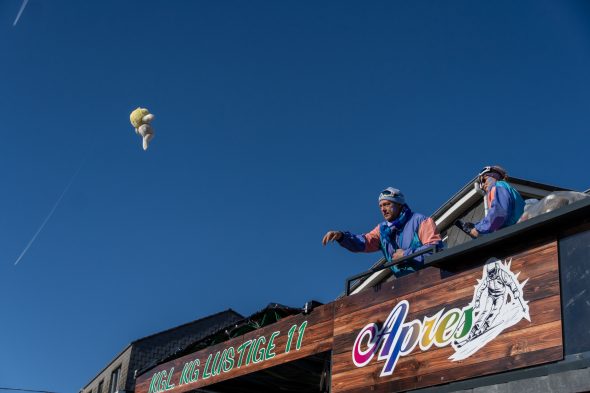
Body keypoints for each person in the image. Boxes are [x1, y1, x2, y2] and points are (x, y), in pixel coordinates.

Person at [322, 187, 443, 277]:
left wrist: (406, 255)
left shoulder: (421, 221)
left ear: (399, 205)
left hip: (430, 280)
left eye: (387, 204)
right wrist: (342, 237)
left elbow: (435, 249)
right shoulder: (383, 230)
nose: (383, 210)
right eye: (380, 206)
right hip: (405, 286)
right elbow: (363, 242)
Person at [464, 166, 525, 238]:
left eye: (484, 180)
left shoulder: (498, 186)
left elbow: (499, 214)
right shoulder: (508, 189)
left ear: (494, 176)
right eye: (480, 184)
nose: (482, 186)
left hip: (513, 234)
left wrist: (478, 228)